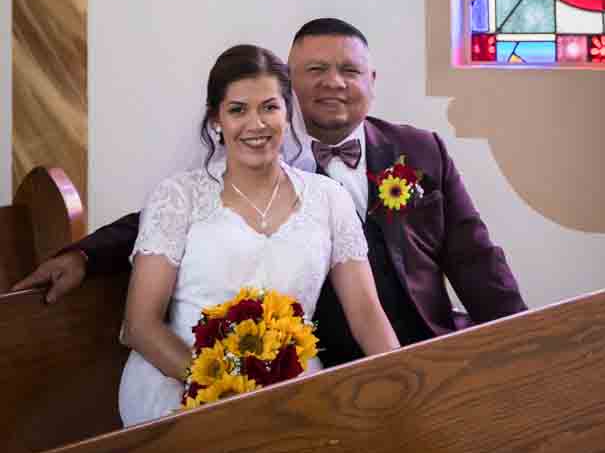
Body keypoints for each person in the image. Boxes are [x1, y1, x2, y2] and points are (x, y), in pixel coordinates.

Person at [19, 18, 527, 365]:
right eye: (315, 71)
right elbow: (173, 212)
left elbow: (476, 257)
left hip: (418, 345)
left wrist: (524, 339)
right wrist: (85, 253)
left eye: (349, 70)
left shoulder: (421, 150)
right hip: (317, 357)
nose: (334, 83)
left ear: (371, 80)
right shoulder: (261, 150)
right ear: (291, 87)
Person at [118, 44, 399, 425]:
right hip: (182, 386)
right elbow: (140, 326)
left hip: (291, 389)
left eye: (269, 107)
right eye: (238, 110)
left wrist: (403, 385)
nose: (256, 124)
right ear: (216, 119)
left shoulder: (328, 198)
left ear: (288, 113)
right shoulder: (178, 197)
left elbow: (366, 315)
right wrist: (223, 390)